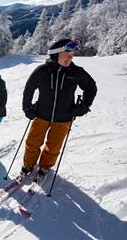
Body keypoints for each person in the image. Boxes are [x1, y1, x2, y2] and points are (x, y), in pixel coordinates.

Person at [21, 39, 97, 177]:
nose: (70, 57)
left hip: (64, 117)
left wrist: (83, 107)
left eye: (72, 55)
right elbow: (29, 89)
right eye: (67, 54)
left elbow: (91, 88)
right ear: (56, 54)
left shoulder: (76, 72)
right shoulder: (42, 70)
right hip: (41, 114)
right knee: (32, 143)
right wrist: (27, 107)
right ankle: (28, 165)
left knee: (53, 147)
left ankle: (44, 166)